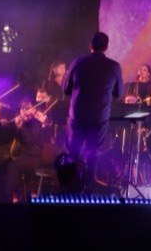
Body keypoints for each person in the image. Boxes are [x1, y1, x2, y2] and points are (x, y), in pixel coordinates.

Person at [63, 31, 124, 188]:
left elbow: (66, 89)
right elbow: (119, 93)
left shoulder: (78, 62)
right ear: (106, 47)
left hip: (78, 115)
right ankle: (89, 189)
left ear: (90, 45)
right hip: (99, 116)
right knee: (93, 151)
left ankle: (70, 189)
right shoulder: (114, 66)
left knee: (73, 152)